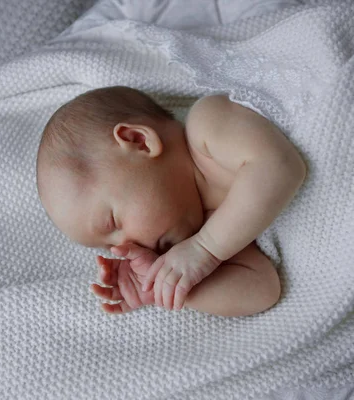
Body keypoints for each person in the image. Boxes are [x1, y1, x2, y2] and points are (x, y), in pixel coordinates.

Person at [36, 86, 306, 317]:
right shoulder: (210, 228)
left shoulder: (208, 124)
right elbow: (262, 289)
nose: (126, 245)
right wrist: (168, 285)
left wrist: (206, 250)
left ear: (140, 142)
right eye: (111, 247)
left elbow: (279, 166)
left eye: (113, 222)